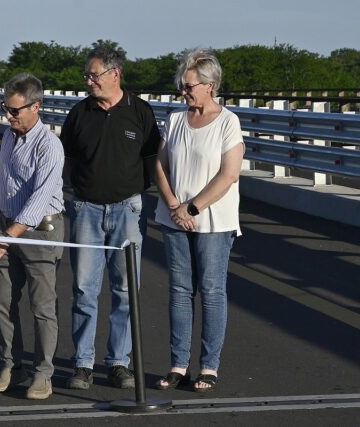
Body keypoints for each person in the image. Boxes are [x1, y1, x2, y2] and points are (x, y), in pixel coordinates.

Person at [60, 44, 161, 390]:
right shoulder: (79, 113)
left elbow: (153, 161)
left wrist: (157, 199)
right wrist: (72, 192)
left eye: (94, 75)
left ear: (114, 74)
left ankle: (119, 362)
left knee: (125, 289)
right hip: (86, 209)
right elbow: (68, 159)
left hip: (127, 210)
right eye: (87, 75)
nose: (88, 81)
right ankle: (83, 364)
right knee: (84, 290)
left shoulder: (141, 112)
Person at [153, 48, 243, 393]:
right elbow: (159, 164)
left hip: (213, 221)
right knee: (179, 291)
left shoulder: (227, 121)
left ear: (210, 85)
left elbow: (228, 174)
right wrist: (175, 204)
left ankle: (209, 367)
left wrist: (192, 208)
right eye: (183, 85)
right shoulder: (175, 120)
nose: (184, 91)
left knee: (211, 291)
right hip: (174, 216)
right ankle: (178, 364)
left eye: (189, 85)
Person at [0, 73, 65, 400]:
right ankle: (11, 366)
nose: (9, 116)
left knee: (42, 306)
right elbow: (2, 181)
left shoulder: (50, 145)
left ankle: (43, 374)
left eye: (15, 110)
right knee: (3, 302)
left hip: (40, 231)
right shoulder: (8, 136)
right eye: (6, 109)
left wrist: (6, 238)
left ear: (36, 106)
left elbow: (39, 200)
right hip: (6, 225)